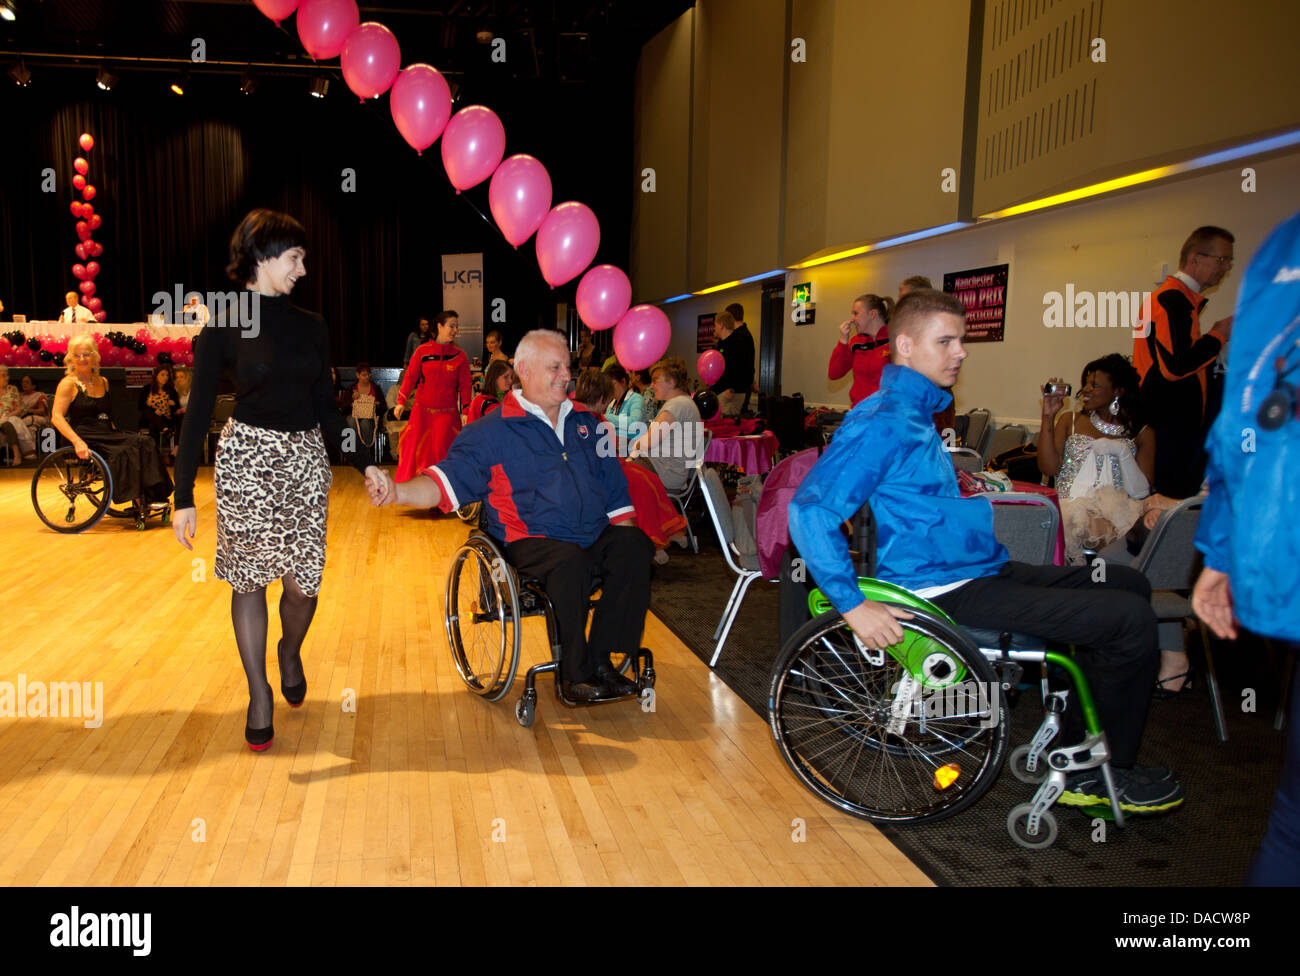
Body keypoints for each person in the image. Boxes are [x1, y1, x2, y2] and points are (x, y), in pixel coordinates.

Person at [788, 288, 1183, 815]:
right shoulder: (885, 420)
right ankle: (1093, 776)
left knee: (1125, 583)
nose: (961, 351)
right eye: (946, 340)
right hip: (944, 590)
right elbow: (810, 509)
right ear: (904, 344)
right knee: (1129, 619)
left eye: (962, 340)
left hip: (972, 571)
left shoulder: (913, 413)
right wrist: (853, 603)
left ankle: (1075, 743)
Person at [172, 209, 383, 752]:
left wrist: (365, 462)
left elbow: (326, 409)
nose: (303, 269)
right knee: (249, 581)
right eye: (295, 258)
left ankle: (290, 652)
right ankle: (258, 691)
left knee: (302, 584)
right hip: (246, 460)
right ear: (263, 256)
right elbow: (196, 413)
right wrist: (182, 495)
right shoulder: (224, 321)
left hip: (306, 462)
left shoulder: (312, 325)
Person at [369, 329, 653, 702]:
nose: (565, 375)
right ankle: (575, 674)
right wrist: (397, 492)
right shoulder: (492, 431)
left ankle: (603, 660)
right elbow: (445, 482)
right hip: (530, 539)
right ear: (524, 370)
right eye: (554, 367)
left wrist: (626, 546)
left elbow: (617, 499)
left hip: (591, 534)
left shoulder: (588, 425)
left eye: (566, 366)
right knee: (571, 562)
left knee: (635, 546)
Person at [1193, 208, 1300, 885]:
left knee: (1291, 822)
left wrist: (1223, 550)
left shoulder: (1284, 249)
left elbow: (1246, 420)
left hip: (1277, 545)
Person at [1134, 225, 1235, 502]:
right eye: (1221, 259)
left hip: (1176, 428)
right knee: (1167, 508)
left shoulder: (1182, 302)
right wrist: (1218, 336)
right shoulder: (1171, 300)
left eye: (1229, 261)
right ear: (1195, 258)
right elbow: (1175, 367)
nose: (1226, 267)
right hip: (1169, 430)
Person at [1037, 354, 1155, 565]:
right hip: (1069, 508)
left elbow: (1142, 491)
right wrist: (1048, 416)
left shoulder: (1142, 433)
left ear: (1118, 391)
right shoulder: (1070, 420)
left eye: (1095, 385)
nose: (1087, 390)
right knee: (1074, 525)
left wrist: (1123, 452)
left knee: (1129, 537)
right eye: (1086, 384)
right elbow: (1047, 467)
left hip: (1118, 514)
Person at [575, 369, 687, 565]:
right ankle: (652, 541)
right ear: (602, 398)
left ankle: (667, 529)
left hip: (607, 463)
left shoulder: (594, 416)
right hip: (594, 470)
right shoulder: (580, 417)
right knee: (637, 485)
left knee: (647, 477)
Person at [51, 334, 174, 509]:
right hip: (84, 435)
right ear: (71, 359)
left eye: (86, 354)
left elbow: (107, 414)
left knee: (144, 441)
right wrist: (77, 442)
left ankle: (154, 495)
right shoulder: (68, 384)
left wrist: (119, 433)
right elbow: (56, 416)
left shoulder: (103, 382)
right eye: (77, 355)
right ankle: (139, 499)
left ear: (94, 356)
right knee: (126, 450)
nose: (82, 359)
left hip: (105, 432)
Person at [393, 310, 472, 484]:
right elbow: (410, 377)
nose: (454, 330)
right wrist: (401, 402)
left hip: (447, 414)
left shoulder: (460, 356)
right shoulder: (422, 351)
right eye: (451, 326)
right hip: (422, 413)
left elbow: (466, 386)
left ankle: (441, 495)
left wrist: (466, 410)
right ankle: (417, 492)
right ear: (439, 326)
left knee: (442, 454)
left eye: (456, 327)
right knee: (418, 453)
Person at [628, 357, 705, 495]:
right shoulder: (683, 403)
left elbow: (647, 443)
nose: (652, 385)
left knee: (611, 476)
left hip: (662, 475)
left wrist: (634, 449)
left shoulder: (677, 405)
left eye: (656, 380)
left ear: (672, 382)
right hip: (664, 471)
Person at [827, 294, 894, 406]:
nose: (852, 319)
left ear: (872, 314)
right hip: (860, 413)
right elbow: (834, 373)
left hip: (887, 414)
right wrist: (843, 340)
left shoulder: (896, 340)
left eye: (856, 313)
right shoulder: (856, 342)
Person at [710, 308, 755, 418]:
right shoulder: (721, 344)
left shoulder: (738, 342)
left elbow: (745, 369)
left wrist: (733, 389)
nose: (714, 328)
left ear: (721, 325)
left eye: (715, 325)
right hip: (719, 391)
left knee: (726, 425)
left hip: (731, 394)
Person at [344, 362, 385, 466]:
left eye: (368, 374)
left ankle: (366, 455)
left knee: (365, 424)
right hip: (354, 416)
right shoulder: (351, 389)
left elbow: (384, 407)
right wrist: (352, 400)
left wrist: (376, 404)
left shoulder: (375, 388)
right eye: (364, 375)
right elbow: (343, 407)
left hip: (370, 417)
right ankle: (351, 454)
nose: (367, 377)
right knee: (350, 421)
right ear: (357, 375)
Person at [137, 365, 180, 448]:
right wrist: (154, 411)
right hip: (149, 417)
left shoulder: (171, 390)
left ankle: (153, 451)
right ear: (156, 376)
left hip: (165, 418)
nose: (165, 377)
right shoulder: (147, 388)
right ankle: (165, 430)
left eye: (167, 375)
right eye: (162, 375)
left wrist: (173, 404)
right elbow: (141, 406)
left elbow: (176, 408)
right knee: (150, 414)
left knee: (153, 424)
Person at [604, 364, 643, 454]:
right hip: (615, 448)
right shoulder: (612, 403)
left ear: (623, 381)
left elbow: (635, 423)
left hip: (631, 450)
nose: (609, 389)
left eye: (612, 385)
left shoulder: (636, 398)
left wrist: (606, 417)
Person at [0, 365, 32, 464]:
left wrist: (8, 416)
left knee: (8, 424)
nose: (7, 378)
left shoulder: (12, 389)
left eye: (7, 375)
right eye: (3, 376)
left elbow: (19, 408)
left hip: (11, 417)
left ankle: (17, 454)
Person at [466, 359, 515, 423]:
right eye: (506, 377)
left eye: (511, 377)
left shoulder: (504, 396)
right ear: (495, 378)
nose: (510, 381)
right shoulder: (484, 401)